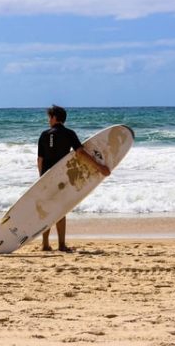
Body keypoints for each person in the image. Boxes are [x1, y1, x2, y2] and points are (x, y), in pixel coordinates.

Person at [37, 105, 110, 252]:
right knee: (60, 210)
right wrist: (99, 167)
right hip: (62, 177)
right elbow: (80, 153)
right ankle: (61, 245)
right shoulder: (69, 133)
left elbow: (40, 160)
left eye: (49, 118)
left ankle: (45, 244)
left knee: (47, 210)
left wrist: (41, 178)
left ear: (54, 117)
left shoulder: (44, 135)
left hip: (46, 177)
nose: (48, 120)